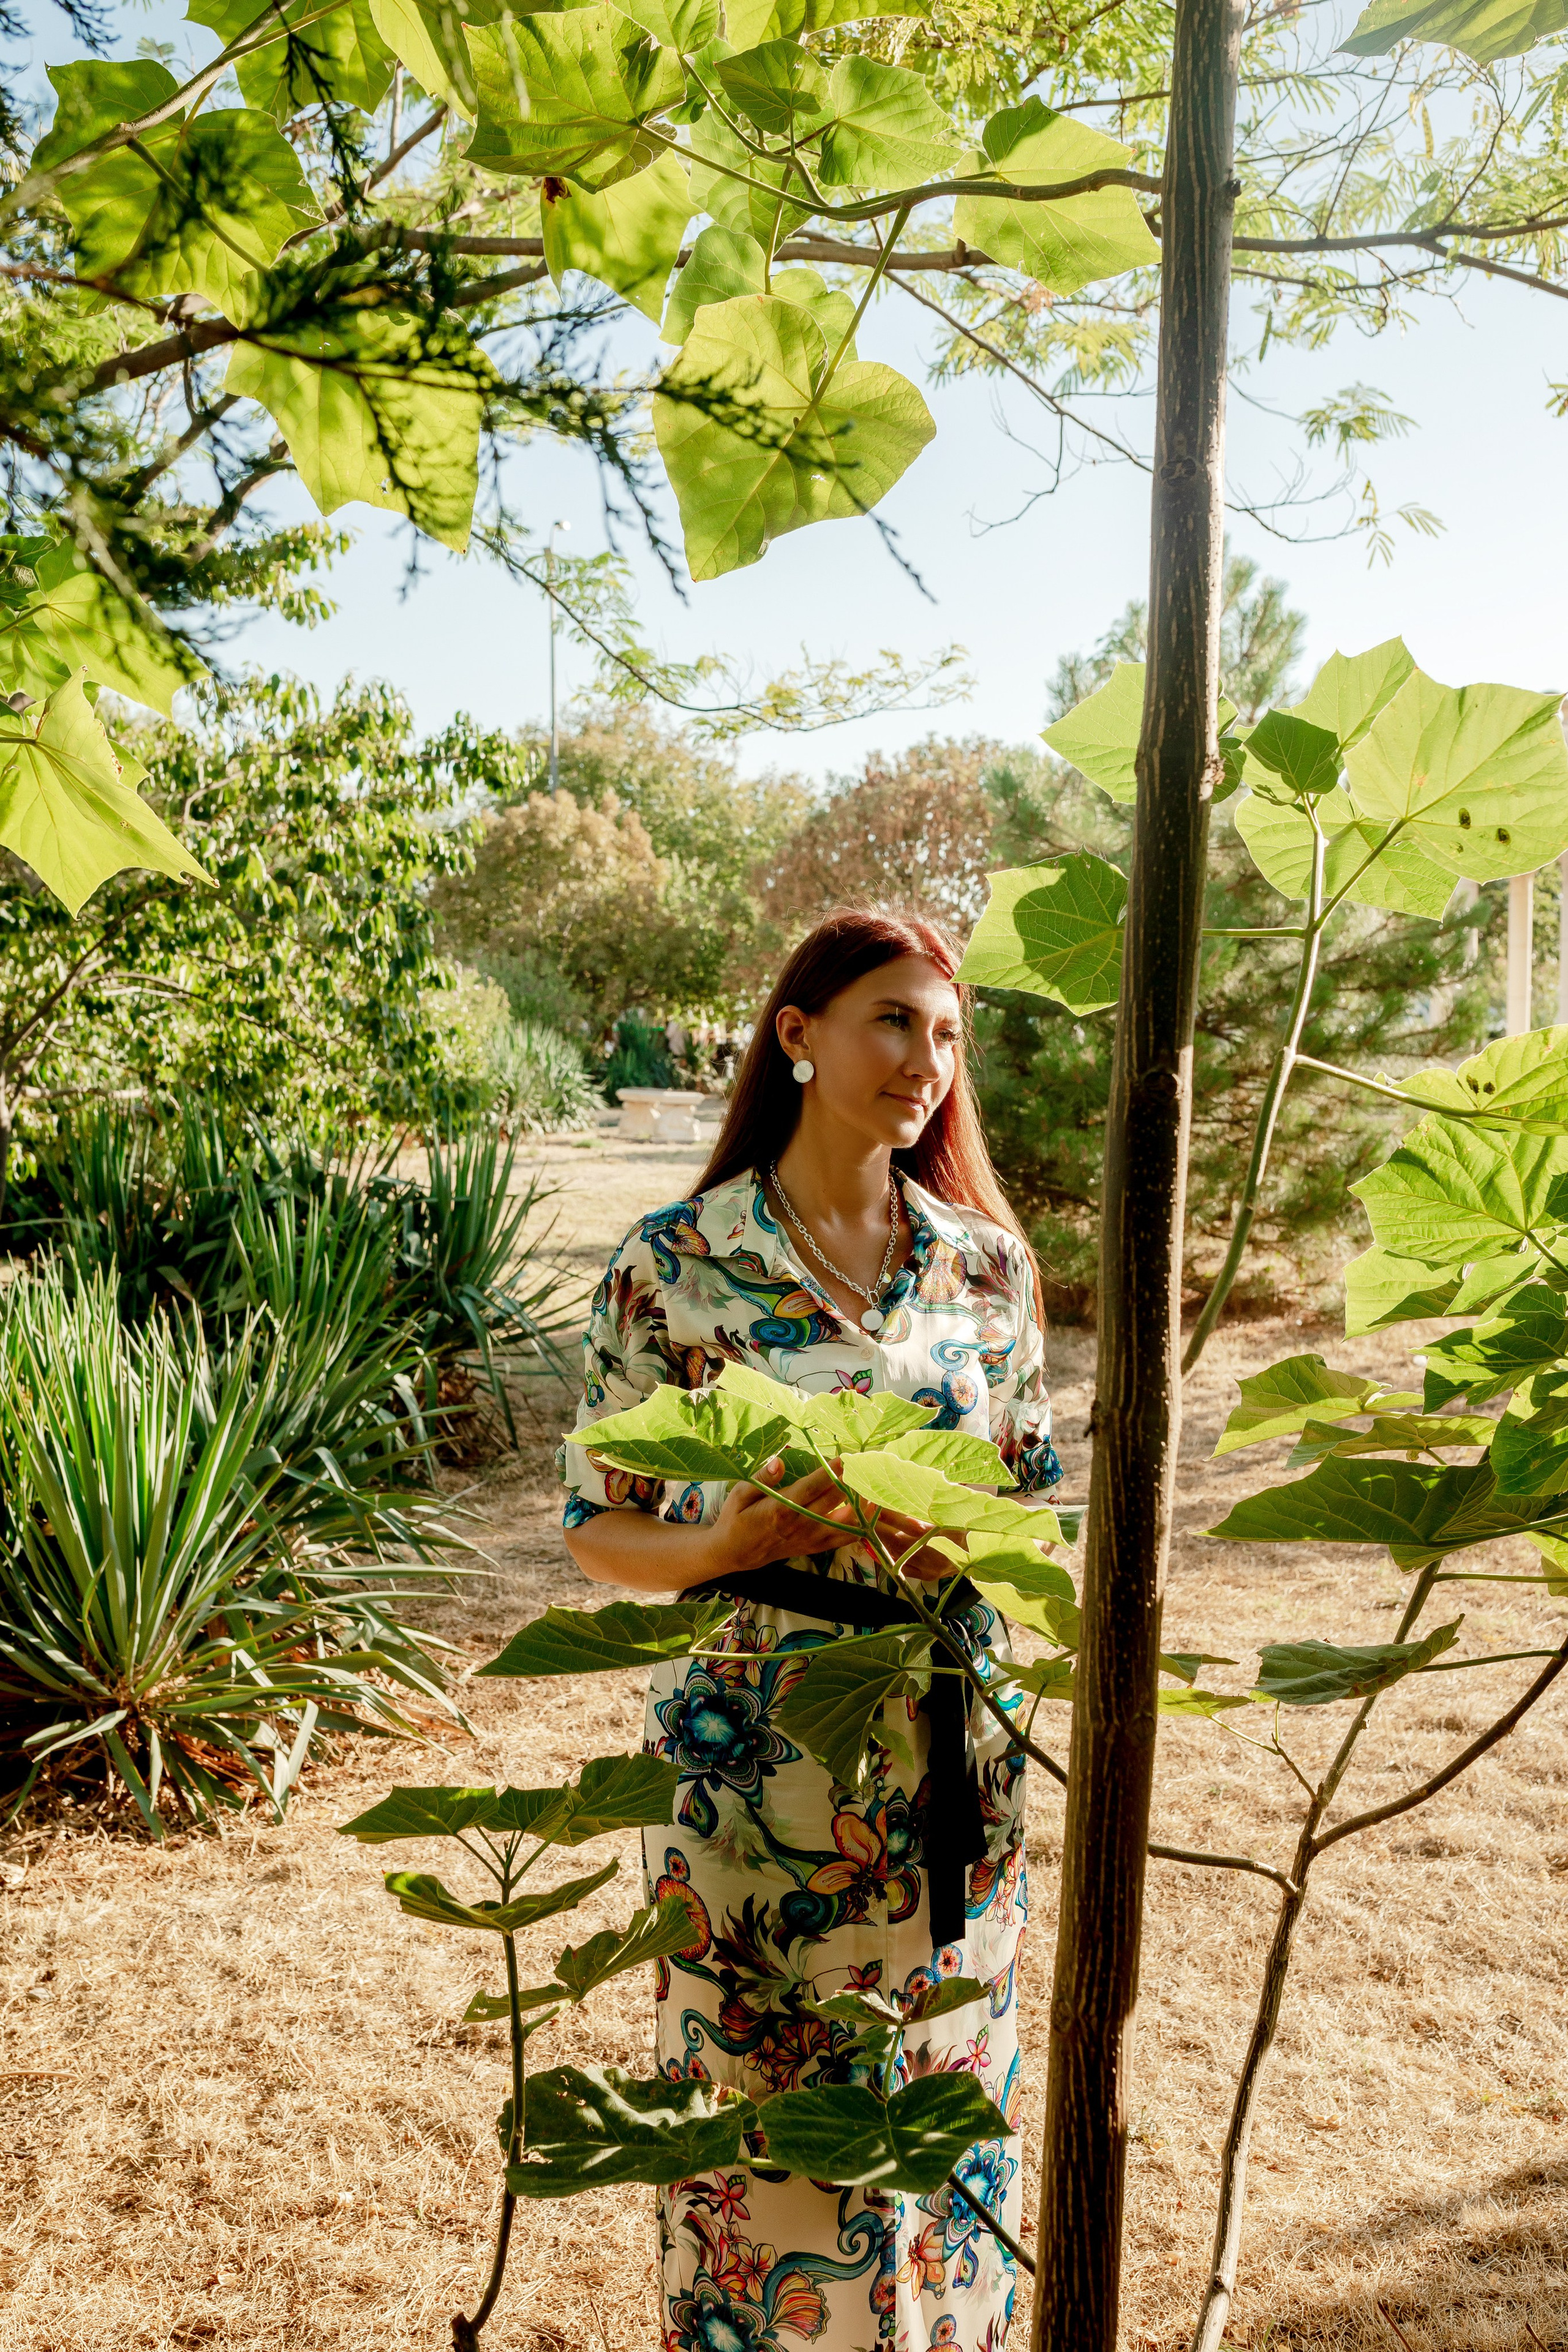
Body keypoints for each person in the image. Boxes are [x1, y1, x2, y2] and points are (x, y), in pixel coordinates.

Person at [560, 905, 1062, 2352]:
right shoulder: (674, 1265)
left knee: (940, 2119)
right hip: (758, 1768)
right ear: (796, 1037)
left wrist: (958, 1536)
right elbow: (599, 1522)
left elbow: (1028, 1506)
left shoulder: (985, 1267)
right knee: (772, 2136)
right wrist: (719, 1544)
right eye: (892, 1021)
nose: (927, 1059)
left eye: (946, 1033)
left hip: (955, 1754)